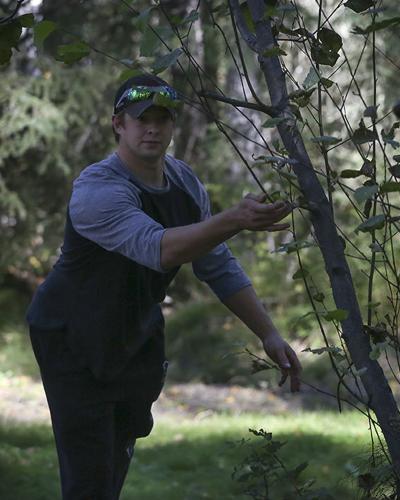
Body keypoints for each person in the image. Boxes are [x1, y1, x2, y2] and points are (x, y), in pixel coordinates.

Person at [25, 73, 302, 499]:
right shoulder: (98, 189)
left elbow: (216, 264)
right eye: (141, 119)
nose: (152, 128)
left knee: (116, 456)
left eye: (162, 119)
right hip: (71, 336)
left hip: (134, 336)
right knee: (89, 469)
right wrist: (233, 220)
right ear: (119, 124)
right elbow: (159, 249)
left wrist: (268, 332)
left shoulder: (184, 183)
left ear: (173, 125)